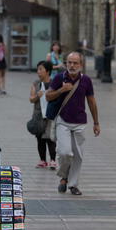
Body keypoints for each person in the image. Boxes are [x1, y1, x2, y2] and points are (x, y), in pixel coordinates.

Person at [46, 52, 100, 196]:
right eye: (69, 62)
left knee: (78, 156)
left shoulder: (86, 81)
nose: (72, 65)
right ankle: (64, 176)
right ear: (66, 63)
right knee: (64, 152)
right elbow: (48, 96)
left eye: (75, 63)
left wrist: (96, 122)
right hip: (62, 121)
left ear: (81, 65)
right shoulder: (59, 78)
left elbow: (91, 101)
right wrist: (61, 90)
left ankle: (73, 184)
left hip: (80, 122)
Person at [29, 60, 57, 170]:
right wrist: (37, 96)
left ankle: (53, 160)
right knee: (40, 137)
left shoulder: (54, 83)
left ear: (48, 71)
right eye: (38, 69)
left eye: (41, 69)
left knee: (50, 137)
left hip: (50, 114)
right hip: (38, 115)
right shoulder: (36, 84)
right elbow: (31, 99)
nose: (38, 72)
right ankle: (42, 160)